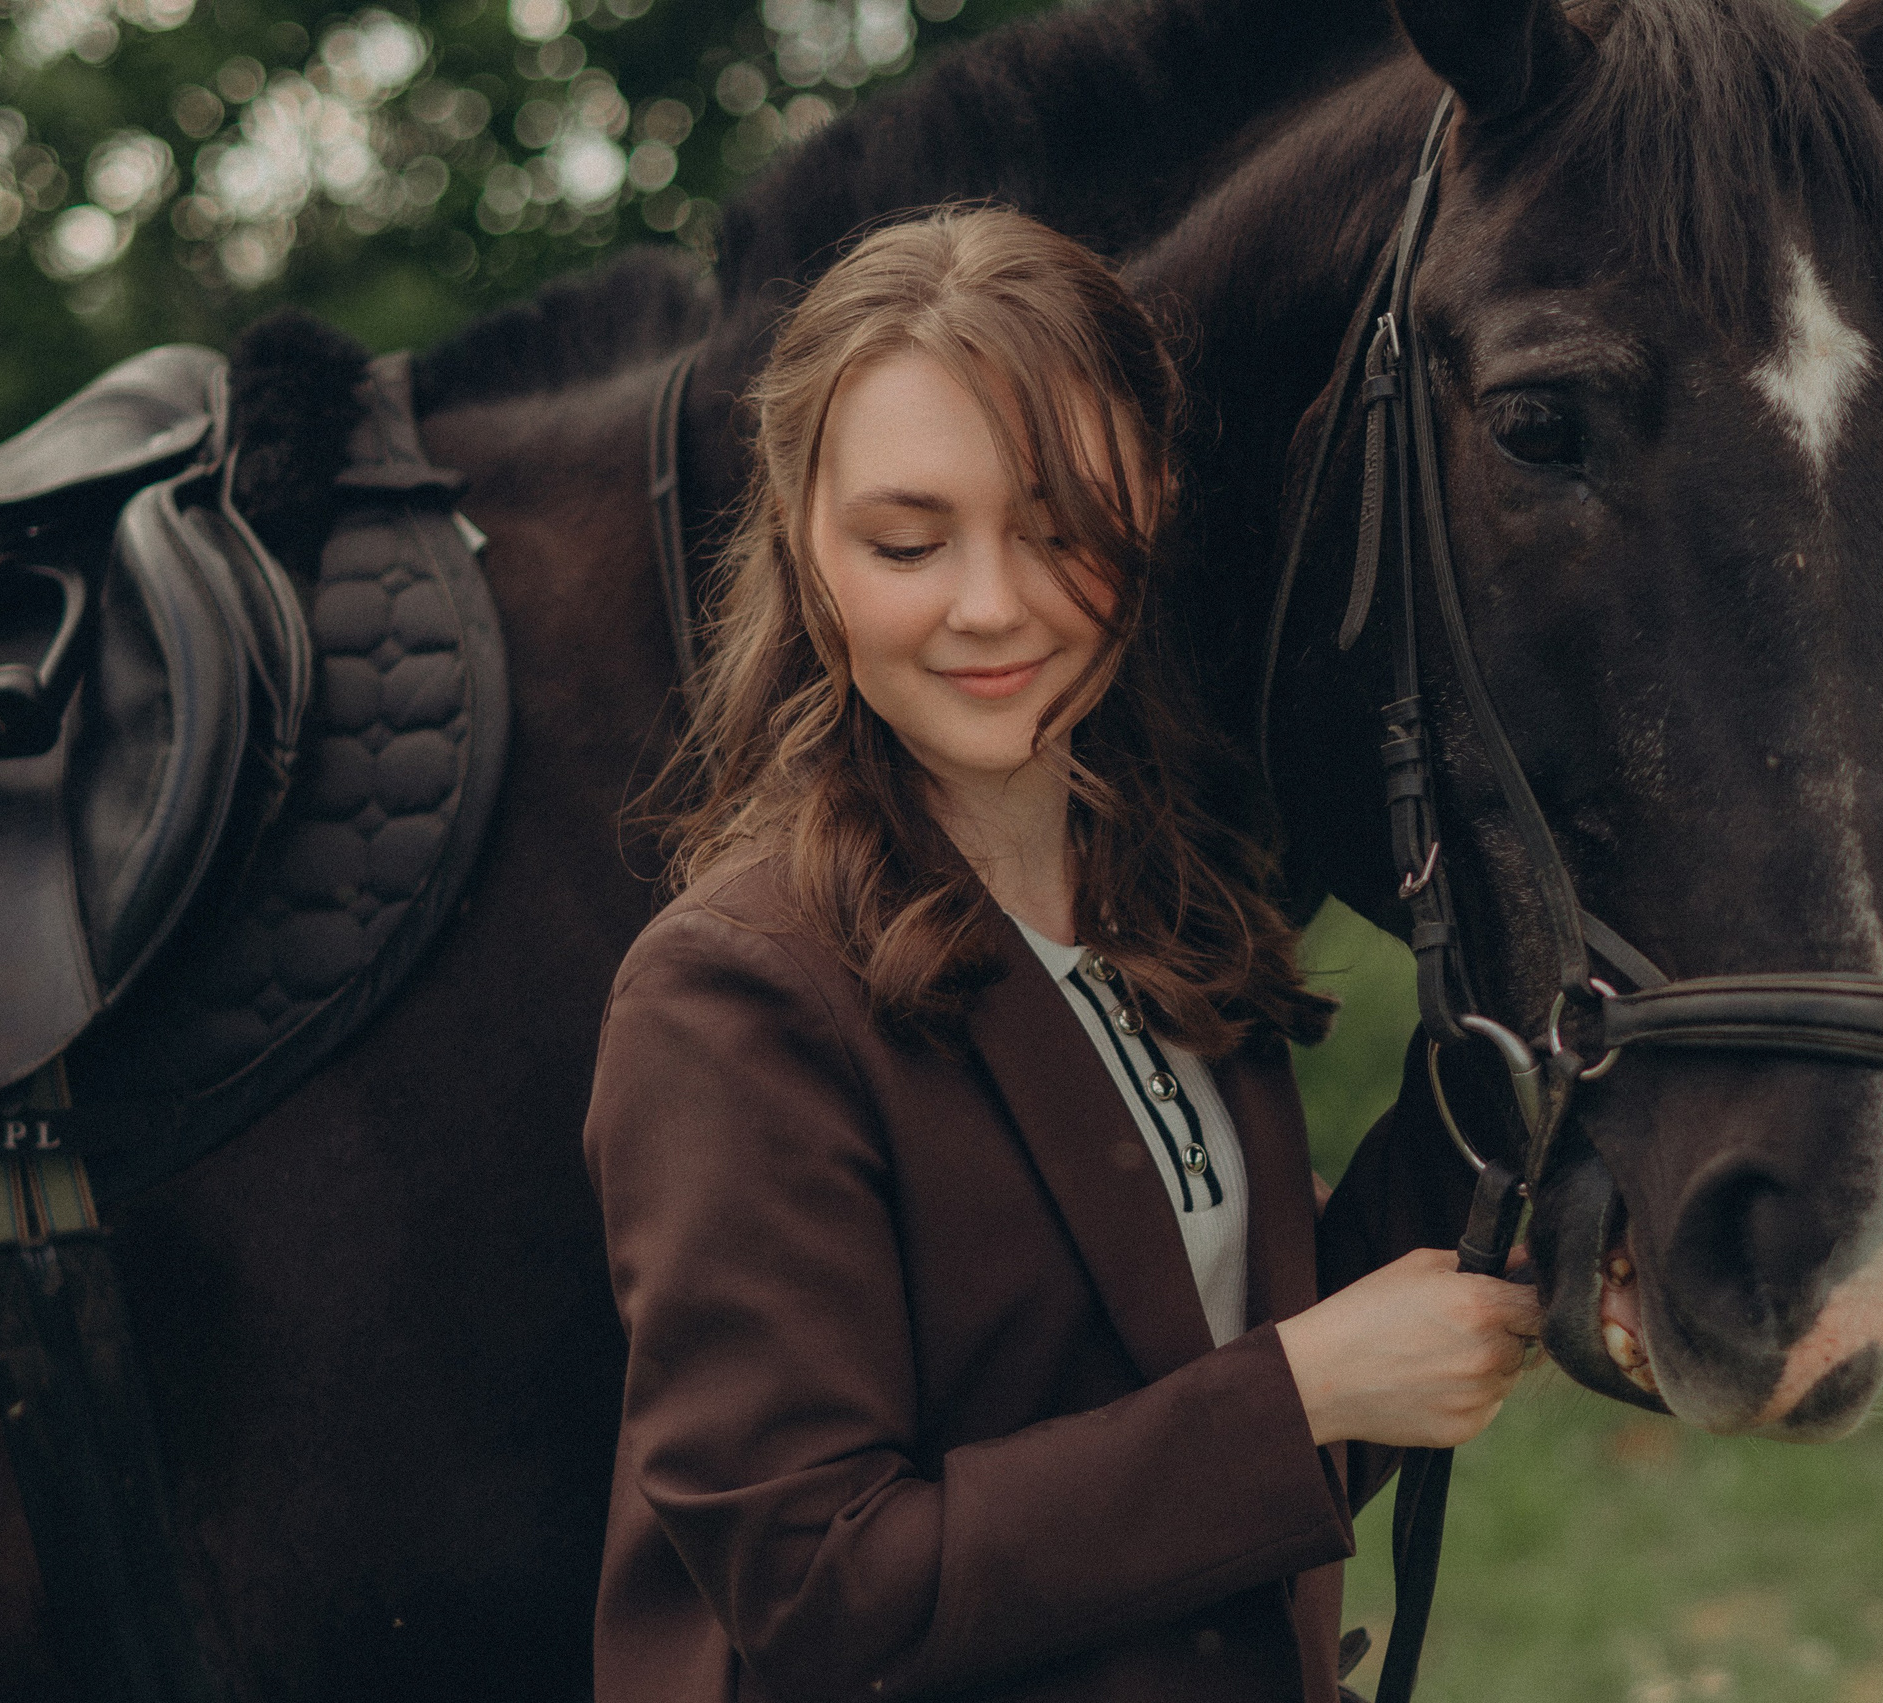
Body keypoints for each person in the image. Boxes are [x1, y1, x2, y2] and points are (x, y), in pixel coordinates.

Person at [582, 205, 1540, 1703]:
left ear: (1155, 503)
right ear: (802, 537)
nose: (989, 605)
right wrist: (1311, 1392)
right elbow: (822, 1590)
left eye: (1058, 528)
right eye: (908, 539)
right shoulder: (729, 996)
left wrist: (1504, 1146)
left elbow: (1195, 1380)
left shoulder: (1171, 901)